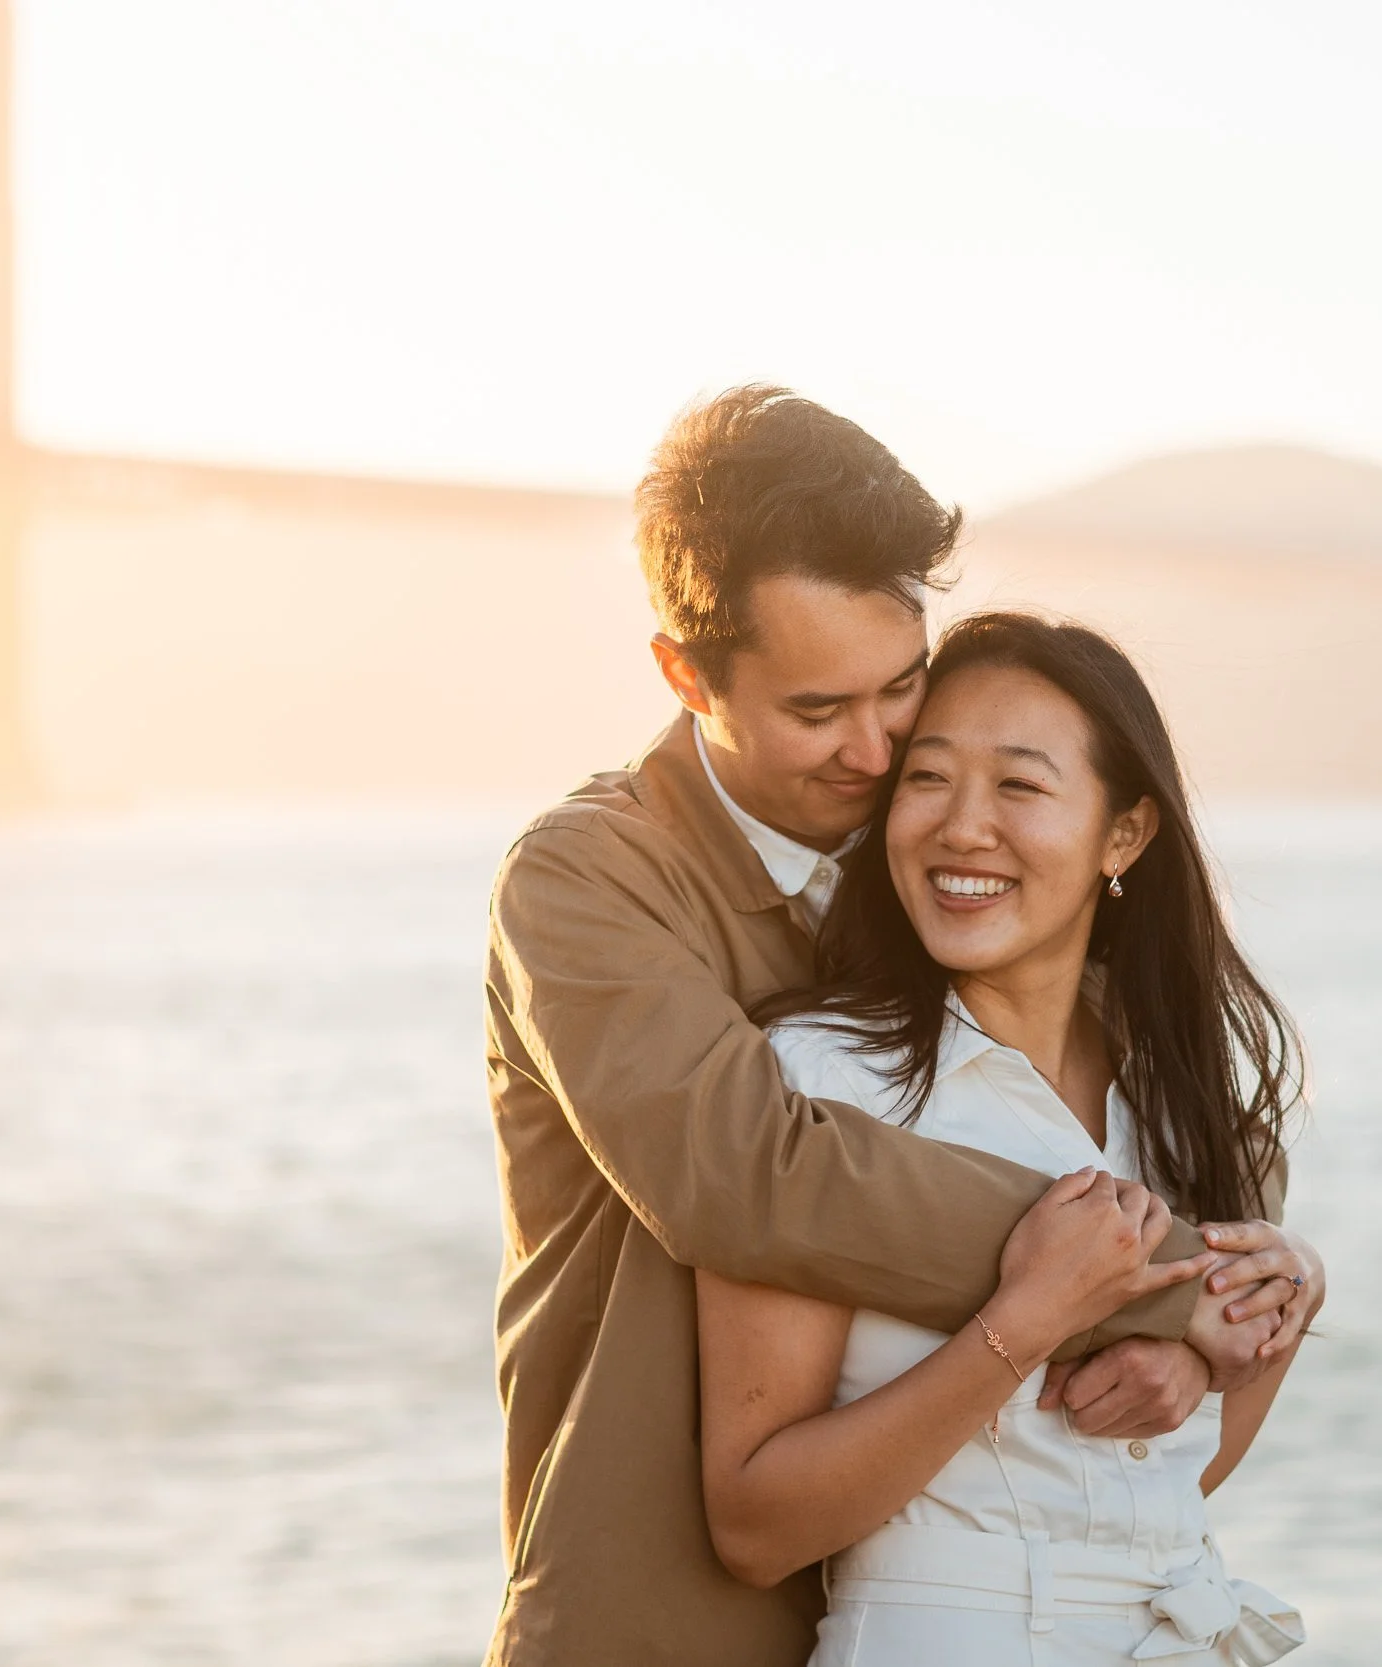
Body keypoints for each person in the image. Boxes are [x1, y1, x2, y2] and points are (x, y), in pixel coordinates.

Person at [483, 387, 1315, 1667]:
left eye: (902, 694)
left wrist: (1235, 1321)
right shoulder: (590, 882)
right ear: (685, 672)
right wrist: (1158, 1284)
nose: (879, 757)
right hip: (664, 1621)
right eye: (819, 710)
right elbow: (756, 1175)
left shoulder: (945, 866)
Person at [697, 611, 1320, 1665]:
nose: (959, 827)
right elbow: (754, 1523)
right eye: (927, 778)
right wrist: (1020, 1325)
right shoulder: (820, 1077)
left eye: (1019, 787)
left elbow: (1173, 1482)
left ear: (1121, 835)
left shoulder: (1178, 1094)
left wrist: (1282, 1301)